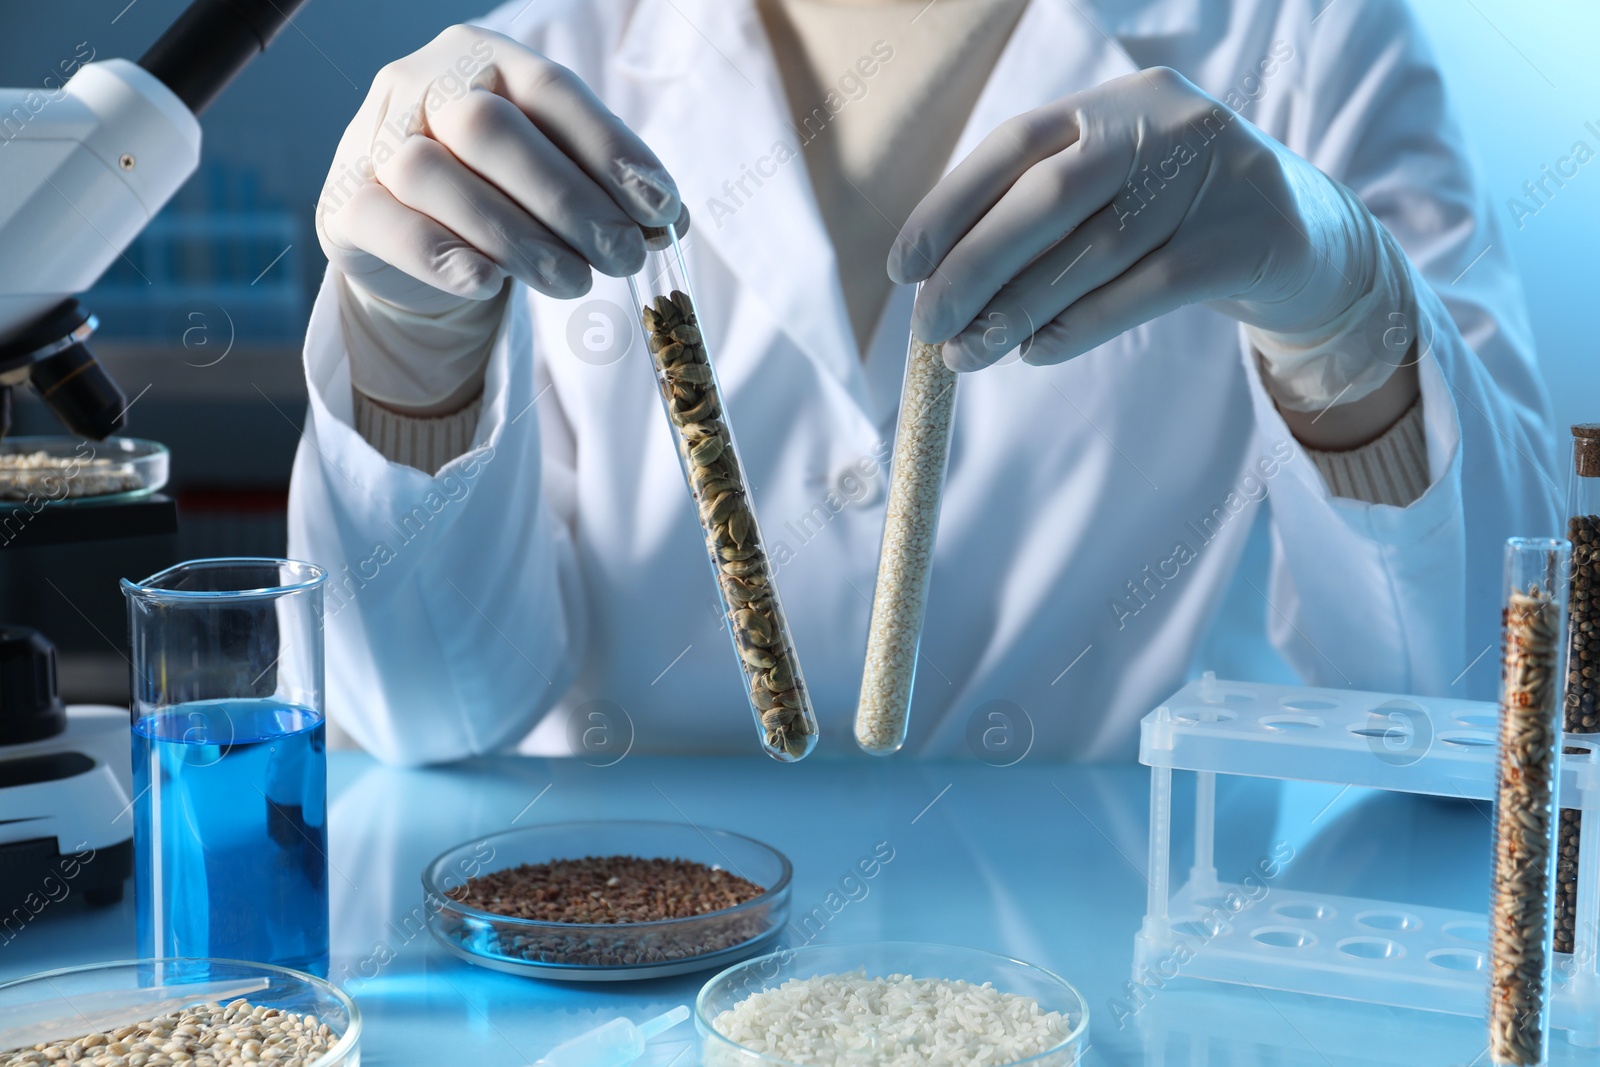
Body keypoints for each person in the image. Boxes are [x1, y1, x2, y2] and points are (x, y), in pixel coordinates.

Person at [290, 0, 1556, 766]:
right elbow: (421, 719)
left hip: (1120, 958)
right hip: (629, 955)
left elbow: (1457, 710)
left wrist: (1342, 306)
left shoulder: (1305, 40)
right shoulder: (549, 64)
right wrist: (410, 355)